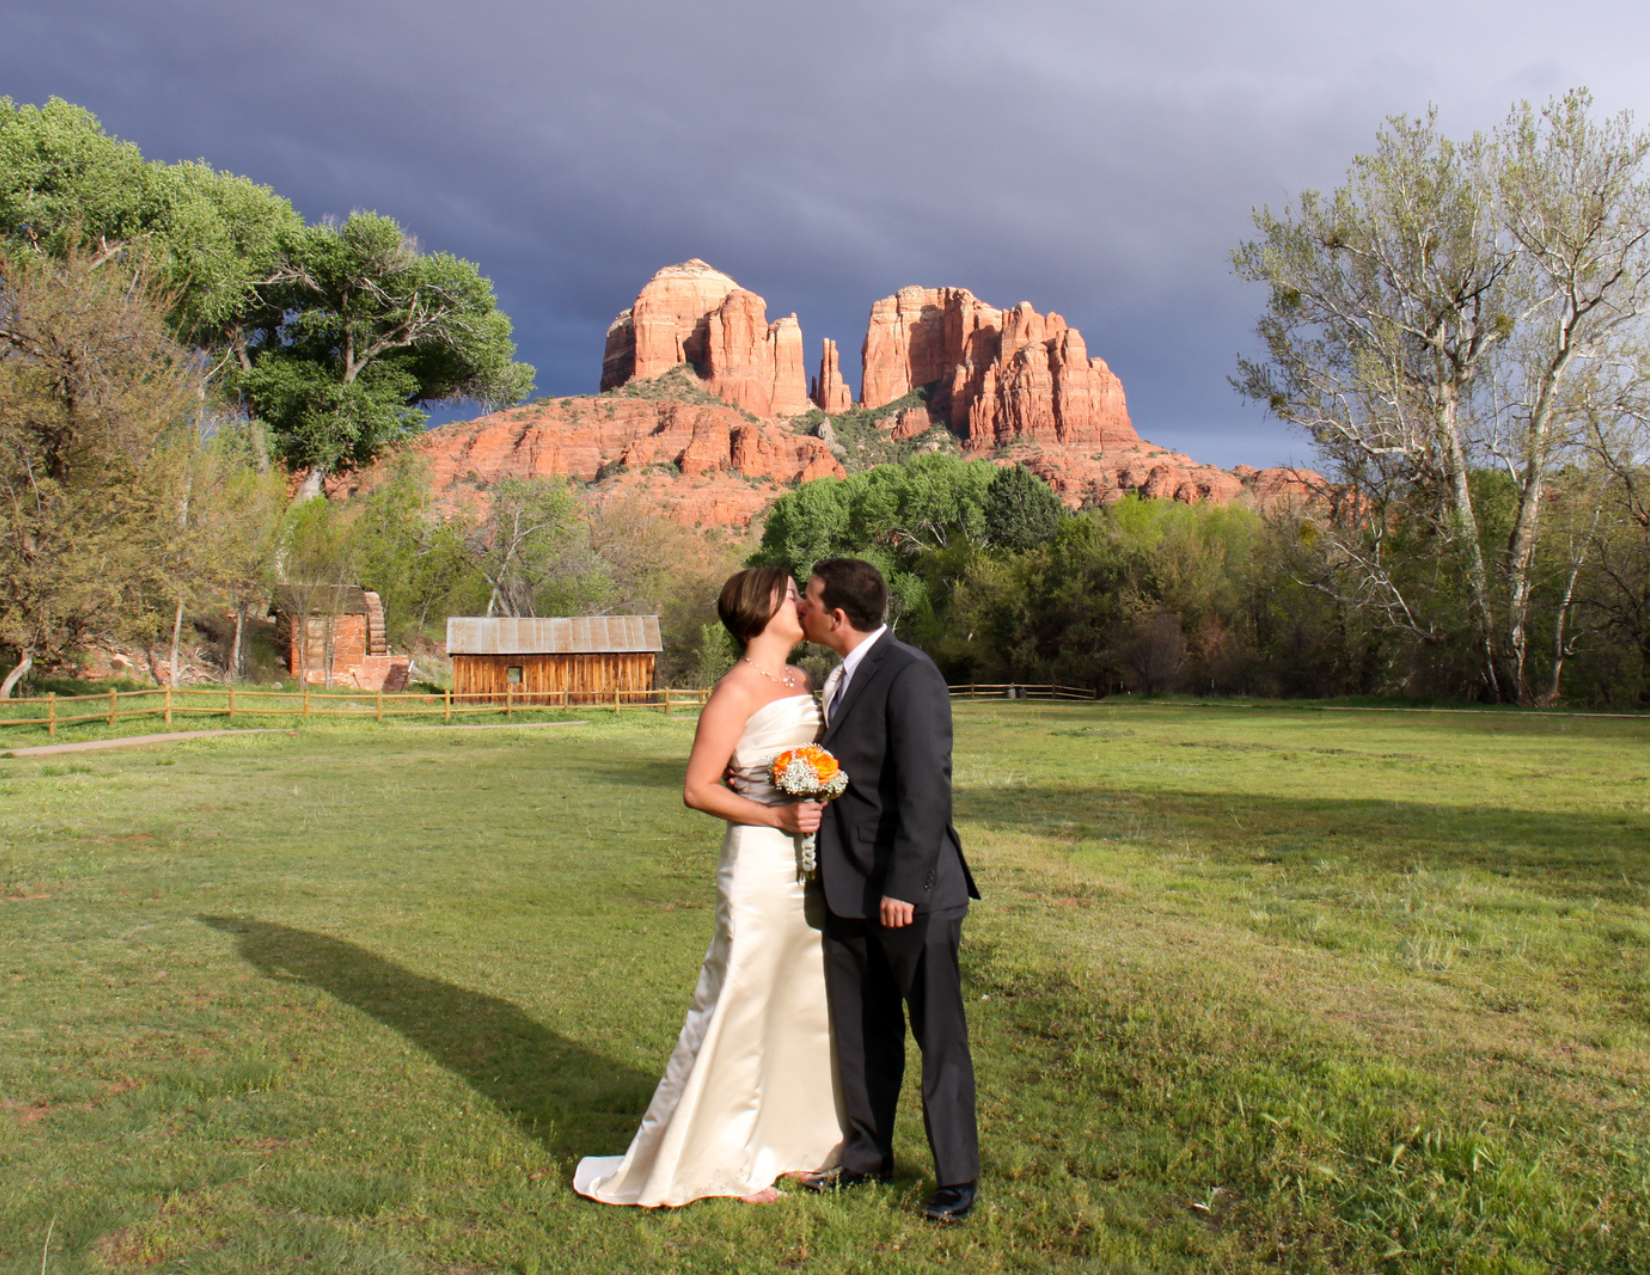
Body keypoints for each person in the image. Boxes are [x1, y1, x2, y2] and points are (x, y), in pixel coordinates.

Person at [573, 568, 845, 1207]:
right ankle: (714, 1157)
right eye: (790, 596)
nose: (803, 604)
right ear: (760, 609)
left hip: (806, 865)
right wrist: (778, 815)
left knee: (802, 997)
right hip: (757, 863)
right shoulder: (734, 691)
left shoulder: (802, 681)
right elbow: (699, 788)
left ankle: (792, 1144)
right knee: (738, 998)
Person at [794, 557, 982, 1223]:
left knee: (939, 1039)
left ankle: (956, 1180)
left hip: (914, 894)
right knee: (865, 1034)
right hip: (847, 889)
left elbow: (927, 786)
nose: (801, 609)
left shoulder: (911, 673)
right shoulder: (836, 678)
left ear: (837, 616)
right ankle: (868, 1156)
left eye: (809, 600)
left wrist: (905, 882)